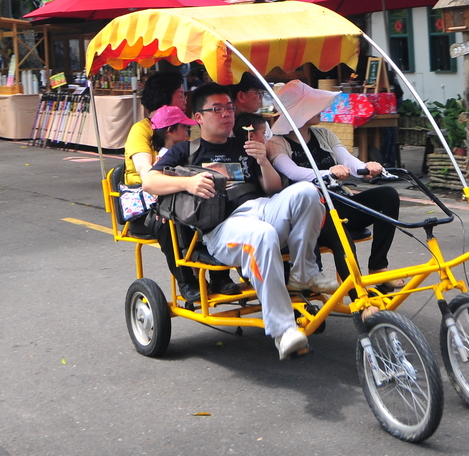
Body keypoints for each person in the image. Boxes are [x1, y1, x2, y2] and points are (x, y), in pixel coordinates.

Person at [143, 83, 335, 359]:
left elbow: (272, 189)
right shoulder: (186, 150)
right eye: (217, 109)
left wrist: (263, 161)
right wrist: (188, 183)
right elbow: (149, 182)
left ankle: (303, 273)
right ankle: (283, 330)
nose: (226, 114)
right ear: (199, 117)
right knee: (262, 234)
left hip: (263, 208)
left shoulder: (244, 145)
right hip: (223, 228)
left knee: (307, 191)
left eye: (230, 108)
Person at [262, 80, 404, 290]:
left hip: (339, 202)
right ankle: (359, 298)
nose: (321, 109)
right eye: (314, 105)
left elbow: (349, 161)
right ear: (300, 111)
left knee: (388, 195)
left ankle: (378, 266)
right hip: (312, 214)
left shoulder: (324, 135)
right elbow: (292, 172)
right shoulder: (276, 143)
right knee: (342, 238)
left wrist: (367, 166)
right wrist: (328, 172)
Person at [123, 71, 187, 184]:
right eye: (180, 96)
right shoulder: (141, 129)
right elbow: (143, 169)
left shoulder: (180, 128)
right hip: (143, 189)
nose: (185, 102)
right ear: (164, 98)